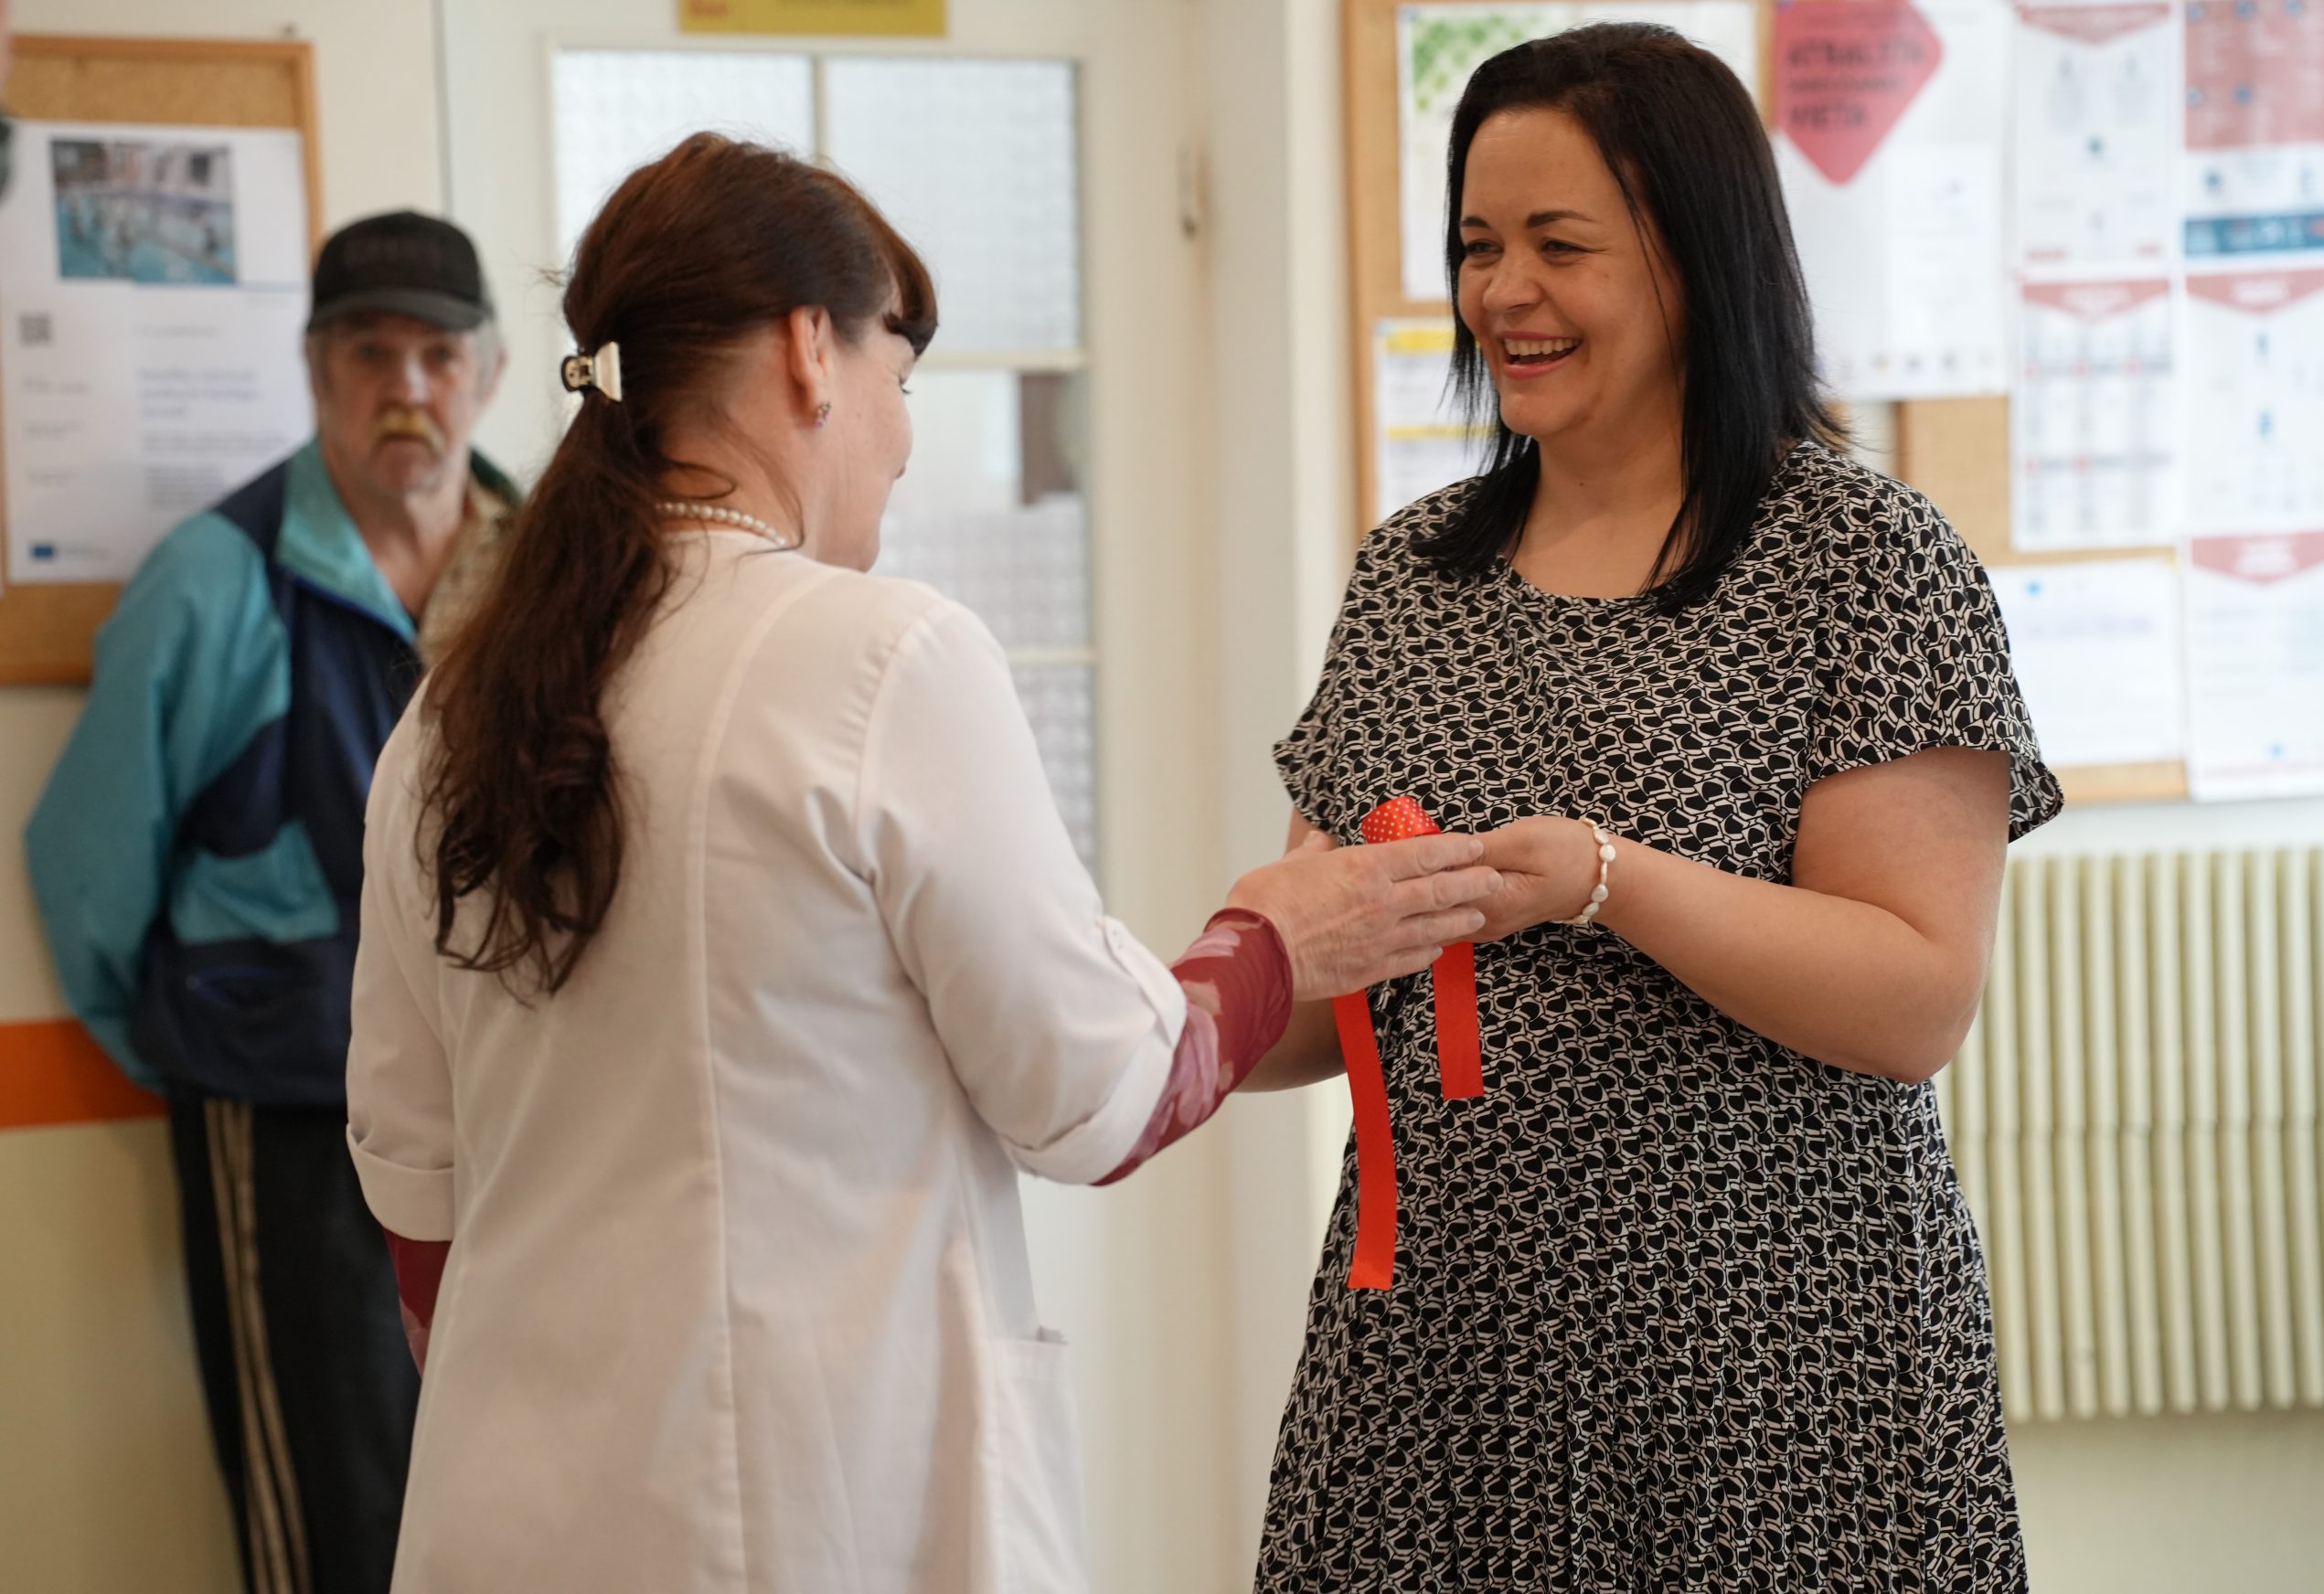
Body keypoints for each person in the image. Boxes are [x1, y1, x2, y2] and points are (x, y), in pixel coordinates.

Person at [342, 133, 1499, 1594]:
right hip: (810, 1515)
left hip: (509, 1514)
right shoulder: (882, 657)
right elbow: (1092, 1097)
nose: (900, 437)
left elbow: (418, 1204)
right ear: (809, 353)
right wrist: (1272, 938)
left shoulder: (451, 708)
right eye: (900, 374)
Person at [1245, 26, 2060, 1590]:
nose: (1504, 292)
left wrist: (1604, 879)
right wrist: (1223, 970)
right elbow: (1308, 1017)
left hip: (1783, 1372)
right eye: (1478, 245)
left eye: (1561, 245)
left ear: (1696, 257)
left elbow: (1914, 1000)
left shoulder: (1864, 562)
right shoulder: (1411, 575)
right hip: (1447, 1370)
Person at [26, 210, 516, 1594]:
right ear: (314, 369)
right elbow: (86, 867)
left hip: (521, 1120)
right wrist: (212, 1041)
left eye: (438, 354)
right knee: (338, 1526)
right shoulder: (213, 580)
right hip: (294, 1130)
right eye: (369, 353)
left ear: (487, 372)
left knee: (521, 1502)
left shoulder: (551, 568)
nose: (406, 387)